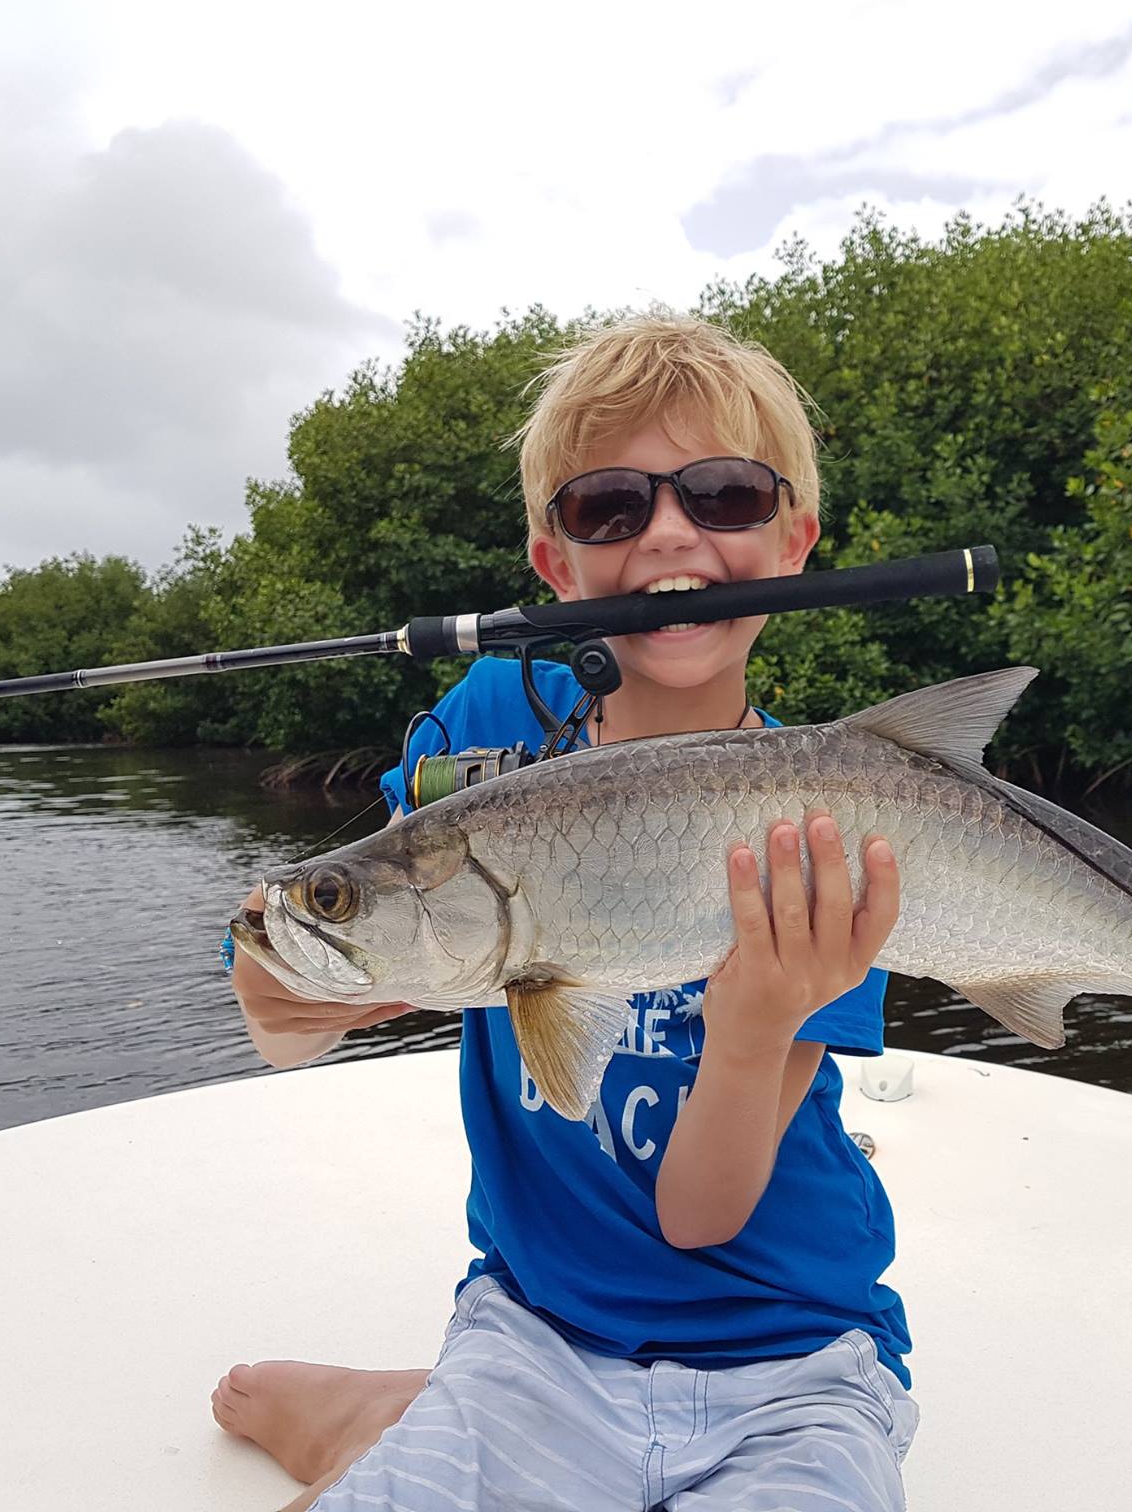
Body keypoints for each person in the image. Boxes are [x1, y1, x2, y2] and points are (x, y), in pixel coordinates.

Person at [211, 311, 919, 1511]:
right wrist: (286, 971)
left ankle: (396, 1415)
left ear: (794, 540)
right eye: (610, 510)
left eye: (727, 495)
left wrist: (748, 1032)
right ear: (557, 565)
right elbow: (282, 1021)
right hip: (535, 1333)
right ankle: (416, 1413)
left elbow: (701, 1219)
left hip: (797, 1363)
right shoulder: (492, 718)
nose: (671, 535)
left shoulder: (821, 825)